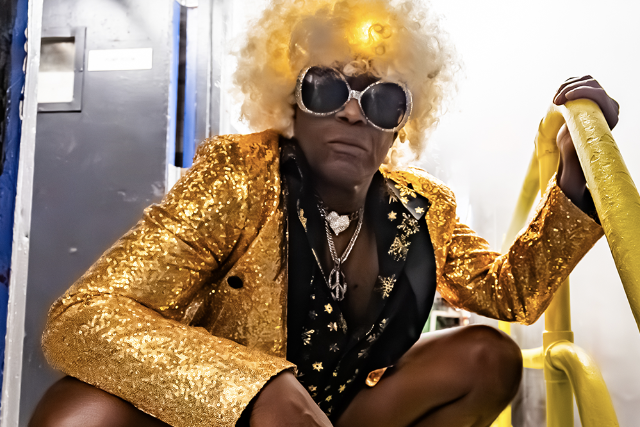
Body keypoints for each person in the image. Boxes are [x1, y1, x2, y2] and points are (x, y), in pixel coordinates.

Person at [30, 0, 618, 426]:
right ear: (291, 103)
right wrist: (252, 387)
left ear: (400, 127)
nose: (354, 114)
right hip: (223, 414)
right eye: (328, 89)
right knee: (78, 411)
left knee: (488, 357)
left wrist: (573, 178)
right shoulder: (238, 177)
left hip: (342, 412)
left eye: (382, 100)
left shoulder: (420, 207)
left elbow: (511, 295)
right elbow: (82, 317)